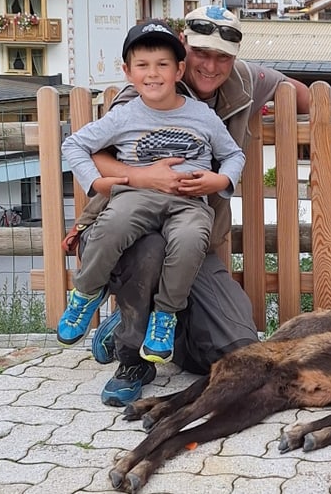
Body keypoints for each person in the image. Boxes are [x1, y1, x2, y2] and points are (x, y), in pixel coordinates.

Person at [87, 5, 311, 406]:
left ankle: (150, 323)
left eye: (222, 56)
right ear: (182, 50)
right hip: (134, 233)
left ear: (234, 58)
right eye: (200, 54)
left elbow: (300, 93)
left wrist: (297, 121)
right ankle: (132, 356)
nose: (210, 65)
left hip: (193, 239)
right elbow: (95, 156)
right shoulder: (142, 93)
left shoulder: (243, 79)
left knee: (239, 347)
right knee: (150, 253)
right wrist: (144, 177)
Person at [58, 20, 246, 366]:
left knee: (191, 240)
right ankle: (85, 293)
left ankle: (164, 316)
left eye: (162, 65)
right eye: (143, 66)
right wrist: (95, 183)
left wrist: (219, 182)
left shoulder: (202, 116)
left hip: (189, 201)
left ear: (179, 70)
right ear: (128, 71)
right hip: (138, 196)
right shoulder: (126, 114)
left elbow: (234, 154)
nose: (153, 74)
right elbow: (75, 145)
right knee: (114, 223)